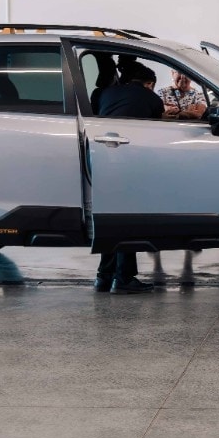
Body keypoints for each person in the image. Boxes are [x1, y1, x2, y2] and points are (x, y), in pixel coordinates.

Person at [93, 59, 162, 294]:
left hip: (103, 161)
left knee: (112, 220)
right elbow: (161, 129)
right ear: (149, 83)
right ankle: (124, 278)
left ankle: (104, 277)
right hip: (129, 163)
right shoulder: (150, 97)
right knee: (127, 221)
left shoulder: (105, 94)